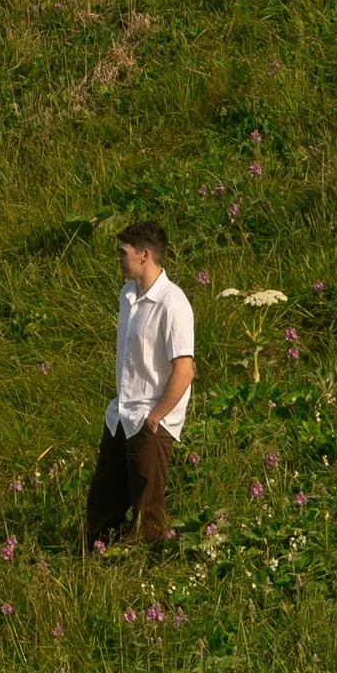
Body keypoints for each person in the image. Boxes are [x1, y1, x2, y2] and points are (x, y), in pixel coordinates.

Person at [84, 222, 194, 553]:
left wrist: (157, 416)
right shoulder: (127, 296)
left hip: (151, 420)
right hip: (121, 416)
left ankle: (146, 572)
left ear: (144, 255)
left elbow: (184, 370)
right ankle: (93, 561)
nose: (118, 258)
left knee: (148, 511)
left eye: (123, 252)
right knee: (103, 499)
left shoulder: (172, 303)